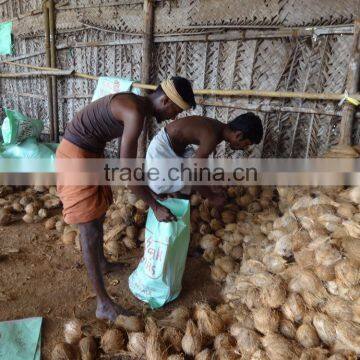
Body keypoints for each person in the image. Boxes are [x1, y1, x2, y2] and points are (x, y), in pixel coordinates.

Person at [56, 77, 196, 322]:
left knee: (97, 212)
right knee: (88, 228)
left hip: (90, 153)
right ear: (164, 100)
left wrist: (155, 195)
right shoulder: (134, 112)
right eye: (175, 110)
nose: (173, 117)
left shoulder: (136, 108)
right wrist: (154, 205)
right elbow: (128, 172)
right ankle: (103, 304)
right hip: (75, 155)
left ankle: (101, 263)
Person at [146, 113, 263, 205]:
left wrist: (210, 185)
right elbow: (194, 175)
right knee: (159, 186)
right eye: (246, 144)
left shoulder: (218, 129)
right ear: (238, 135)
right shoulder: (211, 136)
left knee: (190, 177)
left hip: (177, 151)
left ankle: (174, 191)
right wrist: (212, 197)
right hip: (161, 150)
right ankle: (150, 191)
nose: (244, 148)